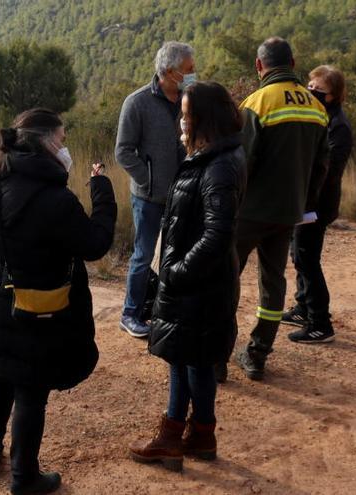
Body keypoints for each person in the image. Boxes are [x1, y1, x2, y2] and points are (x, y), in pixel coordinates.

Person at [0, 108, 116, 494]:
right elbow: (95, 243)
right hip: (37, 307)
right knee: (30, 390)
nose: (65, 148)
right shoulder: (54, 199)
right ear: (45, 143)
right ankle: (24, 478)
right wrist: (102, 191)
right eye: (61, 140)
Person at [129, 82, 246, 472]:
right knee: (191, 360)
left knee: (186, 360)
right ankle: (198, 435)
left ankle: (173, 439)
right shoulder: (213, 158)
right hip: (201, 284)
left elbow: (217, 233)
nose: (180, 121)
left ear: (204, 120)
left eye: (186, 114)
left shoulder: (218, 166)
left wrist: (176, 272)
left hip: (197, 285)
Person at [227, 37, 329, 381]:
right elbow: (321, 168)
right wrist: (304, 202)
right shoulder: (316, 107)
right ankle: (257, 355)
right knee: (273, 284)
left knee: (226, 279)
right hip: (289, 213)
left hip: (249, 212)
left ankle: (216, 357)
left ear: (259, 66)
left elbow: (240, 166)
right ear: (294, 62)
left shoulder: (256, 103)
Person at [115, 41, 194, 338]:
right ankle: (130, 314)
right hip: (148, 198)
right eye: (188, 69)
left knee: (174, 257)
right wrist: (148, 181)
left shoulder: (190, 99)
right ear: (170, 71)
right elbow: (123, 152)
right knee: (143, 256)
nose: (193, 73)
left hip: (183, 195)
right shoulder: (136, 103)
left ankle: (164, 312)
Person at [283, 66, 354, 343]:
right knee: (298, 254)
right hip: (303, 201)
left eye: (318, 90)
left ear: (334, 95)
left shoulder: (338, 127)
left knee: (307, 259)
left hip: (316, 205)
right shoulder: (318, 117)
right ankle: (304, 306)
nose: (311, 92)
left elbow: (328, 171)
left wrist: (305, 201)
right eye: (309, 86)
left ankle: (320, 324)